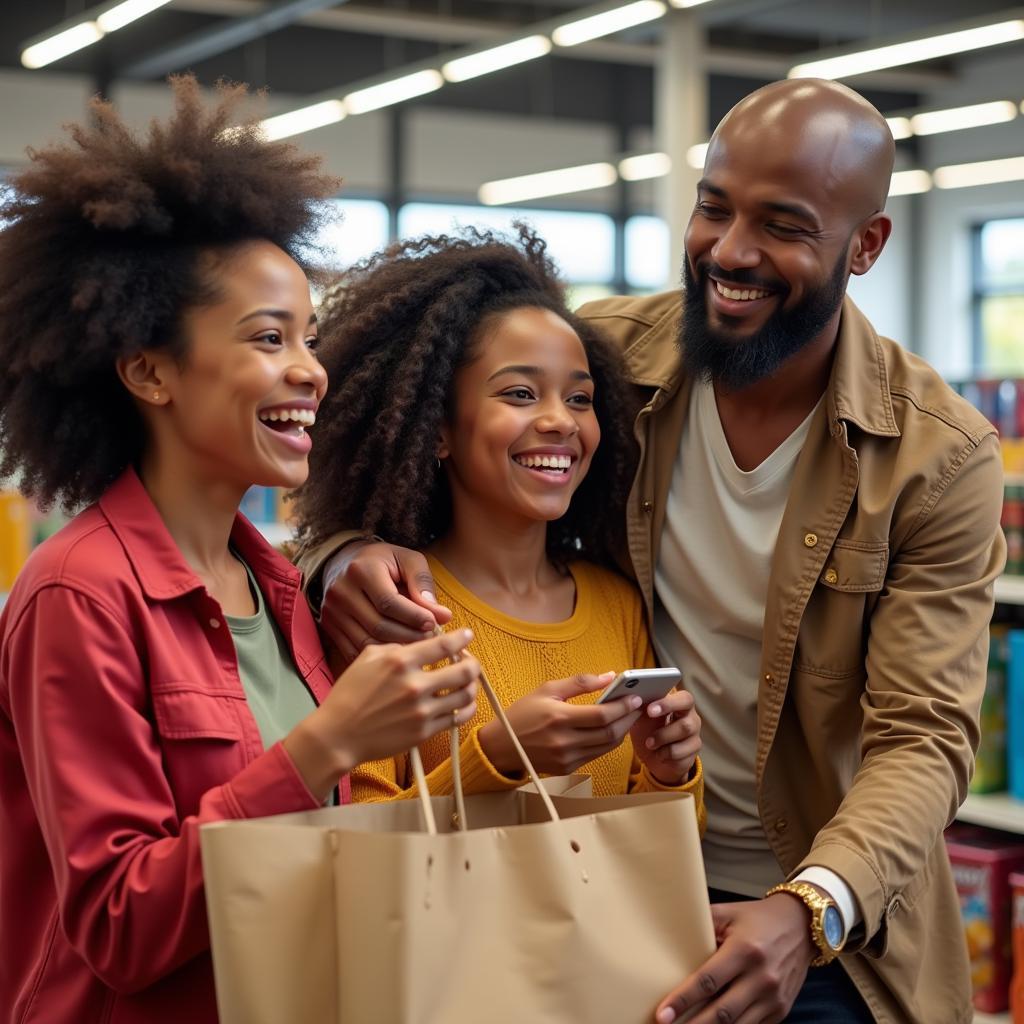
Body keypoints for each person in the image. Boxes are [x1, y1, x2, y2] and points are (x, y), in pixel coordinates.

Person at [305, 79, 1006, 1024]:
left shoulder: (938, 456)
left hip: (826, 920)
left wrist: (806, 913)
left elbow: (923, 737)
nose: (731, 250)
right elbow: (419, 451)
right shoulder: (605, 364)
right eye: (713, 208)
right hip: (604, 884)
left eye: (783, 225)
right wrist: (344, 552)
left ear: (866, 245)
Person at [0, 78, 479, 1024]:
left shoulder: (276, 587)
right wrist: (330, 740)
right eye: (269, 339)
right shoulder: (80, 596)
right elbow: (120, 924)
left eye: (309, 335)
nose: (311, 368)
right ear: (149, 371)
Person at [293, 226, 705, 813]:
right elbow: (357, 834)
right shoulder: (392, 609)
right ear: (436, 429)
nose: (561, 420)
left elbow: (665, 851)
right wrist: (500, 757)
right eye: (519, 394)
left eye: (580, 398)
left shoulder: (618, 604)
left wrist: (671, 773)